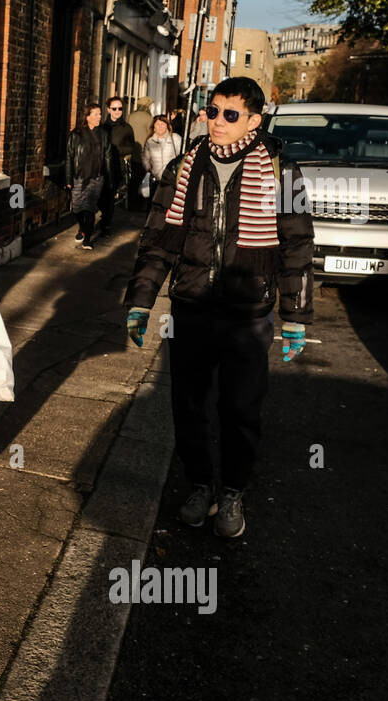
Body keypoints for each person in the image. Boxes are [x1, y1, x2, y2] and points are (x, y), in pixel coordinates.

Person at [123, 76, 314, 539]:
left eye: (231, 114)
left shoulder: (282, 170)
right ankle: (199, 484)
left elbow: (297, 245)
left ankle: (232, 490)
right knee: (188, 406)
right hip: (191, 306)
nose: (218, 121)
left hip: (248, 314)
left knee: (240, 408)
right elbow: (161, 237)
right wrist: (142, 299)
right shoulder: (185, 165)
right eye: (213, 110)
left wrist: (295, 316)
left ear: (254, 119)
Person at [65, 104, 108, 249]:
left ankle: (87, 239)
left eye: (100, 114)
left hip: (96, 176)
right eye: (95, 114)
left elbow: (107, 157)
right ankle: (83, 228)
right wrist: (68, 179)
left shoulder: (103, 134)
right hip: (79, 176)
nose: (99, 117)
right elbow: (69, 158)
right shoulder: (75, 134)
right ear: (87, 116)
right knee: (77, 208)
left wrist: (109, 178)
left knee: (89, 207)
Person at [100, 96, 135, 231]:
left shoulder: (127, 128)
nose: (117, 111)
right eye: (114, 108)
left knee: (110, 194)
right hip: (102, 165)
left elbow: (131, 147)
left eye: (120, 108)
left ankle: (106, 223)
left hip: (117, 165)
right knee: (101, 195)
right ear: (108, 109)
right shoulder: (102, 127)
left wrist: (115, 150)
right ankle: (104, 215)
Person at [142, 114, 183, 186]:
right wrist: (149, 170)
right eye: (157, 124)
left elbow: (180, 157)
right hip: (156, 180)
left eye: (163, 124)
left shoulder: (175, 138)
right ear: (154, 127)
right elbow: (145, 158)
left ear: (167, 126)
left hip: (171, 179)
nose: (160, 127)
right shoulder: (150, 141)